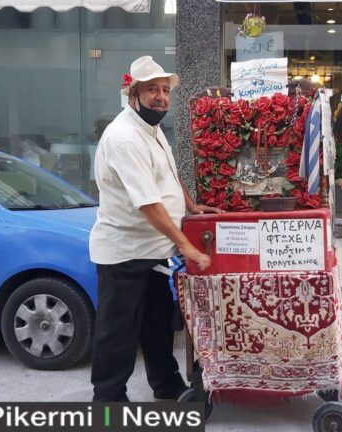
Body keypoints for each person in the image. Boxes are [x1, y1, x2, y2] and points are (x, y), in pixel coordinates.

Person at [89, 56, 222, 402]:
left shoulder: (152, 128)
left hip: (155, 250)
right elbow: (148, 203)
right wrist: (187, 246)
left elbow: (168, 173)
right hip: (126, 253)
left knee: (158, 323)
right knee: (118, 331)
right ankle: (107, 398)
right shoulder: (125, 138)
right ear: (133, 94)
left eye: (165, 90)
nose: (161, 96)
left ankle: (165, 384)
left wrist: (191, 205)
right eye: (152, 90)